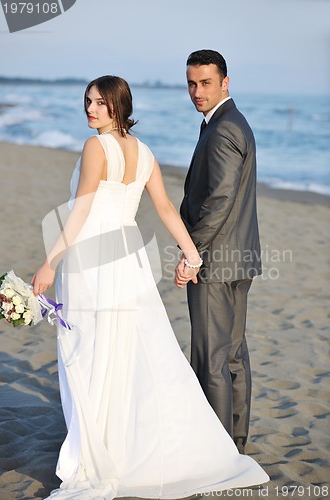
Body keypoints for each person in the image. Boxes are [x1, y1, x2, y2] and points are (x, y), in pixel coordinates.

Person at [32, 75, 268, 499]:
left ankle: (104, 447)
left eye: (101, 104)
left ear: (119, 106)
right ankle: (129, 440)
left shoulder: (94, 147)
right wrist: (191, 253)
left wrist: (50, 263)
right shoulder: (145, 153)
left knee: (91, 351)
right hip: (128, 258)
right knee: (127, 348)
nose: (91, 110)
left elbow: (83, 210)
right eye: (88, 101)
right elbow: (164, 210)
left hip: (92, 260)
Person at [176, 50, 262, 454]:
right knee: (232, 355)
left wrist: (192, 252)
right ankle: (235, 445)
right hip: (239, 259)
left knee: (212, 359)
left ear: (225, 82)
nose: (197, 91)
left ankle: (218, 452)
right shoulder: (230, 123)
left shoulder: (224, 129)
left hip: (215, 263)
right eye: (192, 83)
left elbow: (220, 198)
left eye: (206, 82)